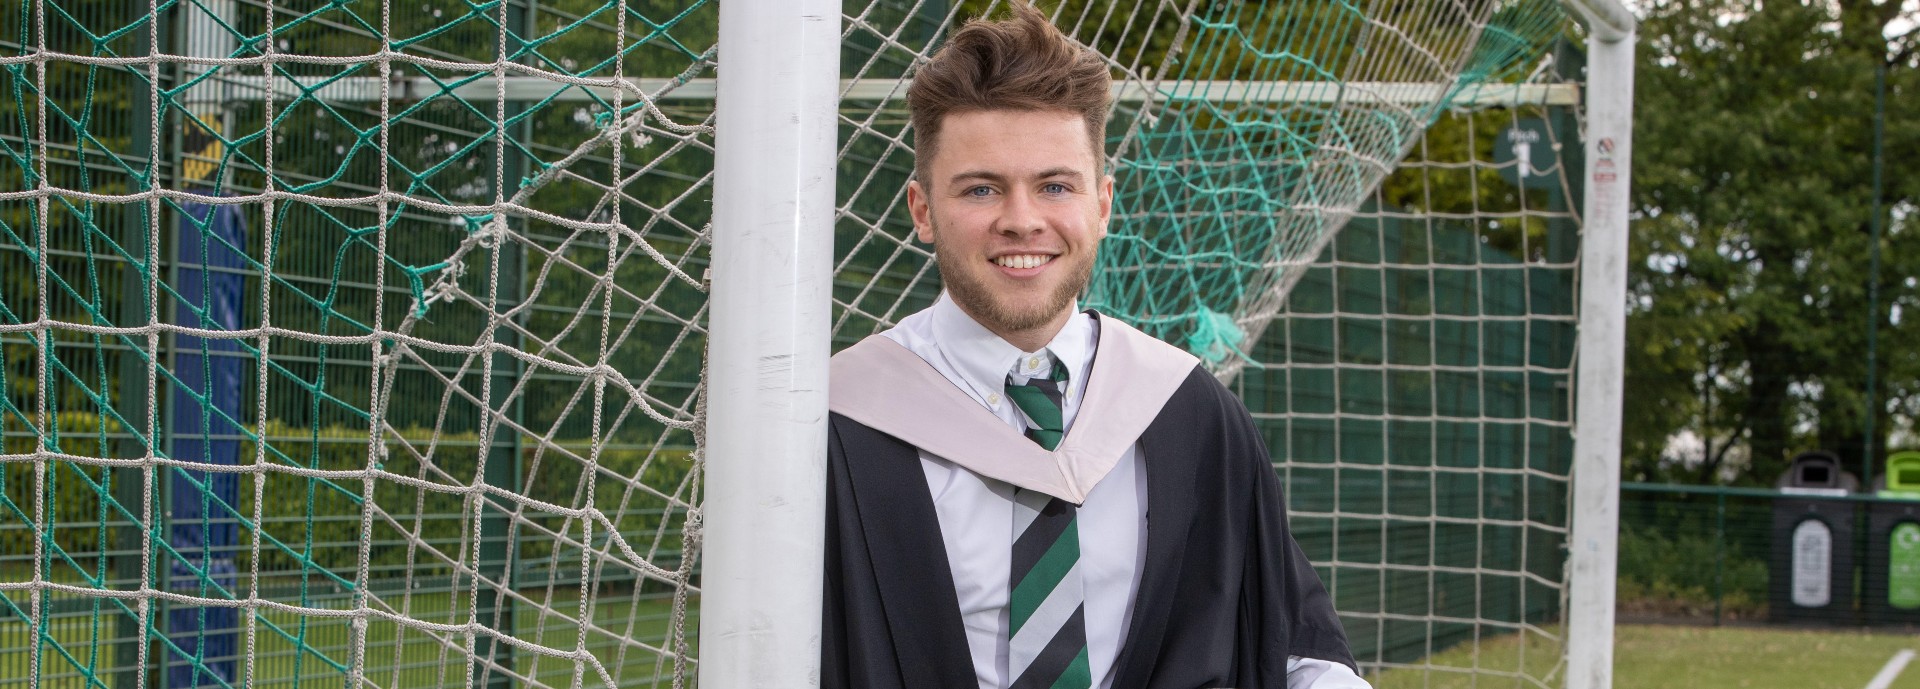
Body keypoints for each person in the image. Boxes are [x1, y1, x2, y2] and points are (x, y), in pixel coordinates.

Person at [822, 6, 1370, 688]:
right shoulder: (837, 427)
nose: (1022, 220)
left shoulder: (1188, 412)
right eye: (982, 188)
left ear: (1103, 204)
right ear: (922, 209)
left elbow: (1289, 640)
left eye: (1055, 185)